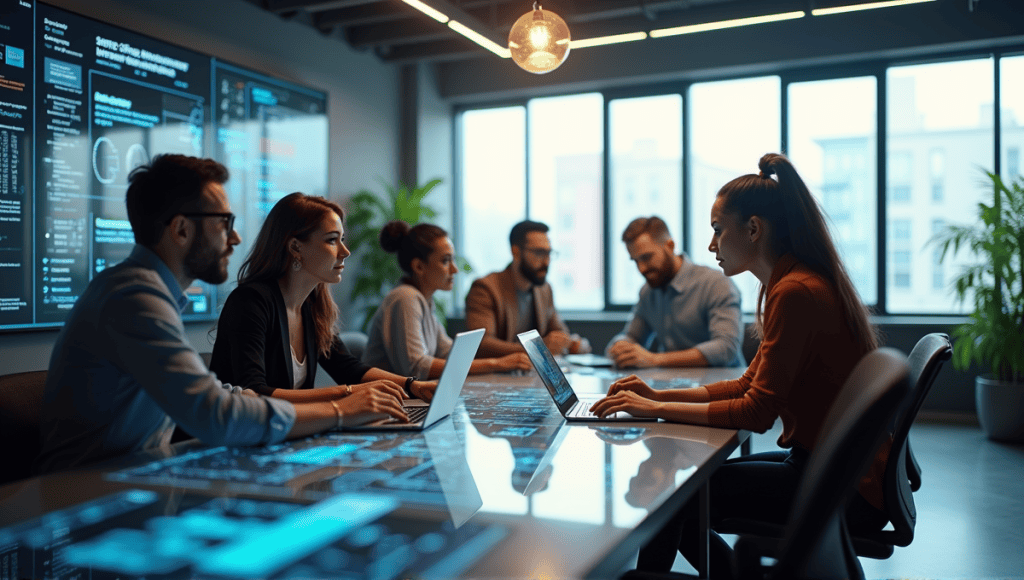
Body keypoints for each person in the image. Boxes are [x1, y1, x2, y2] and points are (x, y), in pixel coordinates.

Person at [590, 153, 889, 575]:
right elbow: (749, 383)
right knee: (688, 493)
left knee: (678, 499)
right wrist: (657, 395)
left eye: (717, 231)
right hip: (836, 465)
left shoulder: (795, 291)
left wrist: (654, 409)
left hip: (842, 483)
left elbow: (756, 412)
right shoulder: (792, 281)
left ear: (753, 229)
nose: (711, 245)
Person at [36, 155, 407, 475]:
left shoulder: (146, 293)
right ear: (181, 229)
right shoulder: (134, 296)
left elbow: (224, 395)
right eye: (223, 223)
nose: (235, 239)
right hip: (82, 491)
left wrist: (343, 405)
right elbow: (216, 415)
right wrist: (339, 411)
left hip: (134, 476)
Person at [209, 193, 438, 408]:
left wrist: (412, 385)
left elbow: (348, 367)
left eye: (342, 239)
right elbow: (255, 392)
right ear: (295, 247)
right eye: (332, 240)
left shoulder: (311, 305)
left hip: (284, 437)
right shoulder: (250, 302)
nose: (345, 251)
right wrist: (348, 394)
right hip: (223, 444)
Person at [361, 220, 532, 378]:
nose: (455, 269)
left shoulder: (424, 301)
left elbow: (450, 352)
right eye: (445, 261)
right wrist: (496, 364)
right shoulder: (405, 298)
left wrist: (505, 360)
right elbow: (417, 367)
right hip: (386, 405)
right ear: (419, 266)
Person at [606, 216, 744, 368]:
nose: (641, 268)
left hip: (723, 387)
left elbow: (726, 348)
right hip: (671, 387)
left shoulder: (715, 284)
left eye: (646, 257)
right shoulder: (648, 292)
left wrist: (654, 360)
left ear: (670, 246)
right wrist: (621, 346)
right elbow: (631, 336)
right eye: (635, 261)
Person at [465, 220, 590, 358]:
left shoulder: (544, 289)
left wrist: (572, 343)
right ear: (516, 252)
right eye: (539, 253)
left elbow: (560, 333)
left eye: (549, 253)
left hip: (532, 374)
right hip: (496, 375)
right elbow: (483, 344)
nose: (547, 262)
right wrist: (537, 348)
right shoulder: (486, 288)